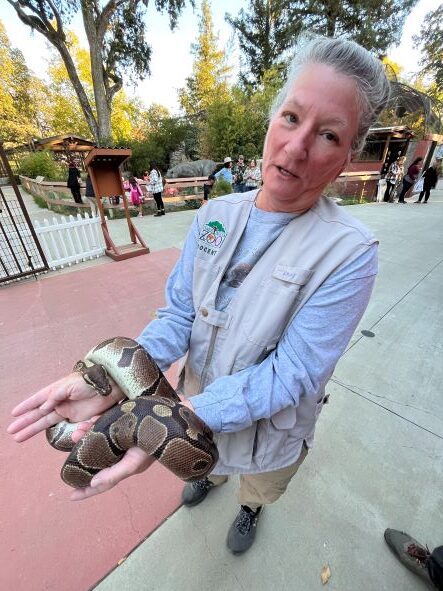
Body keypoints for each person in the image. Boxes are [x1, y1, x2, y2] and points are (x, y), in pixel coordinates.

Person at [8, 34, 391, 555]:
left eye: (328, 135)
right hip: (189, 403)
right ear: (273, 118)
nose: (296, 147)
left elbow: (293, 373)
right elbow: (179, 315)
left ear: (348, 155)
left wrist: (162, 423)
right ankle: (207, 475)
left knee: (259, 483)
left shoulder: (350, 254)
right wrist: (113, 380)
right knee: (202, 462)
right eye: (292, 118)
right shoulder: (215, 216)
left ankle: (250, 507)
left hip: (267, 433)